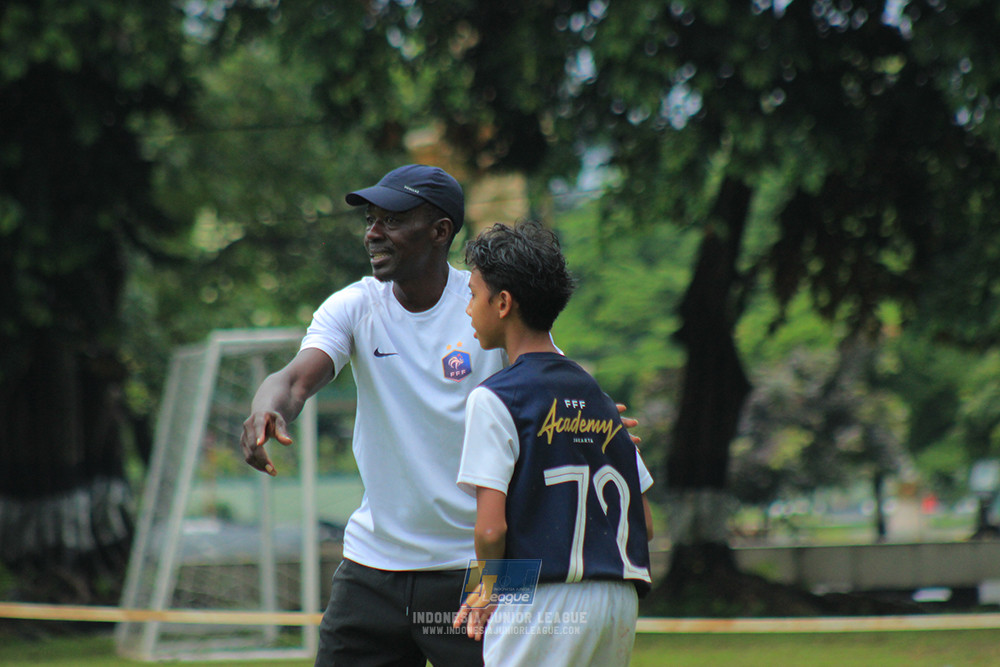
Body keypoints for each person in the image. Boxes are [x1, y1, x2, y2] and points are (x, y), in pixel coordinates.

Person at [241, 164, 641, 666]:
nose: (373, 232)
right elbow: (295, 379)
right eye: (371, 218)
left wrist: (594, 426)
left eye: (391, 219)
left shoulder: (488, 307)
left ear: (440, 231)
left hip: (488, 567)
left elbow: (551, 382)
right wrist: (266, 409)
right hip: (373, 564)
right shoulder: (356, 306)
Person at [453, 221, 654, 667]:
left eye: (472, 294)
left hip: (543, 602)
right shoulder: (599, 397)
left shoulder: (496, 397)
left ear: (503, 303)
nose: (467, 309)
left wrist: (487, 592)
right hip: (618, 597)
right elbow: (646, 524)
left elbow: (490, 530)